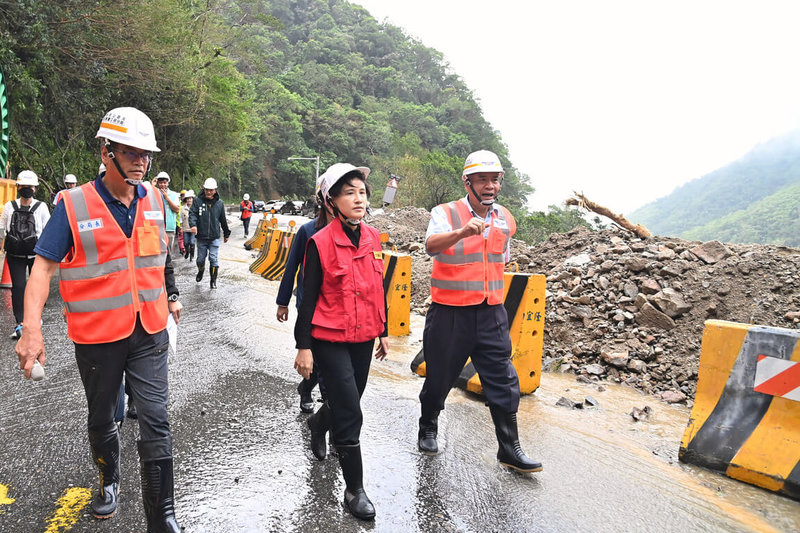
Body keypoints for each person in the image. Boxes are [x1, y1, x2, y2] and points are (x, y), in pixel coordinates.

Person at [15, 107, 183, 531]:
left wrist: (173, 300)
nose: (141, 162)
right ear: (106, 152)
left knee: (156, 418)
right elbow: (42, 268)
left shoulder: (157, 200)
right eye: (131, 153)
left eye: (147, 155)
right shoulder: (72, 205)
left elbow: (158, 259)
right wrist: (31, 329)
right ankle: (109, 478)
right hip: (98, 337)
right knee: (102, 417)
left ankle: (163, 518)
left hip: (149, 331)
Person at [417, 149, 542, 473]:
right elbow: (431, 245)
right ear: (467, 181)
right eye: (482, 179)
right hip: (450, 313)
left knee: (503, 378)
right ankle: (428, 424)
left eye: (494, 180)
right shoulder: (446, 212)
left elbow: (501, 258)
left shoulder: (505, 218)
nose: (489, 186)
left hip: (491, 312)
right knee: (440, 377)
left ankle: (509, 447)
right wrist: (462, 232)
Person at [294, 163, 388, 521]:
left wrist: (382, 330)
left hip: (363, 336)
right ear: (331, 201)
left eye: (362, 192)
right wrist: (303, 346)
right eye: (349, 192)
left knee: (349, 399)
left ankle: (319, 423)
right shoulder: (319, 243)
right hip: (328, 338)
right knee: (351, 410)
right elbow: (309, 296)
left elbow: (377, 288)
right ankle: (355, 489)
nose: (359, 198)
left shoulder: (374, 238)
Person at [276, 176, 333, 417]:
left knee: (333, 358)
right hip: (310, 305)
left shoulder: (355, 232)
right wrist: (283, 302)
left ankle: (328, 400)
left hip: (337, 307)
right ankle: (307, 388)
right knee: (317, 355)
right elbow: (292, 267)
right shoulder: (308, 230)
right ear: (324, 200)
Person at [1, 170, 51, 339]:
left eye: (28, 186)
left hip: (15, 253)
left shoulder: (9, 206)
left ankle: (23, 322)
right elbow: (47, 230)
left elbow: (3, 229)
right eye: (25, 186)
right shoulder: (41, 207)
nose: (27, 189)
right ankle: (26, 321)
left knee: (21, 288)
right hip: (34, 253)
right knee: (27, 288)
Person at [188, 178, 229, 289]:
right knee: (201, 259)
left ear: (215, 190)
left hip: (214, 236)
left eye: (211, 190)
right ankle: (201, 271)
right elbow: (192, 214)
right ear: (204, 189)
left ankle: (213, 281)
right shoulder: (197, 201)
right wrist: (193, 225)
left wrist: (226, 233)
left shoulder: (219, 203)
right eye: (207, 190)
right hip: (201, 236)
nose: (209, 192)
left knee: (213, 258)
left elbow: (223, 219)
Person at [153, 172, 180, 252]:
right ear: (157, 183)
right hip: (157, 227)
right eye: (160, 182)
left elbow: (177, 209)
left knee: (168, 252)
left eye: (165, 183)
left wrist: (167, 198)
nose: (162, 185)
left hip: (169, 228)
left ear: (168, 183)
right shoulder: (154, 193)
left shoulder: (174, 194)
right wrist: (152, 186)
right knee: (157, 251)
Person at [180, 190, 195, 261]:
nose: (189, 200)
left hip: (193, 229)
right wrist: (181, 226)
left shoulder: (195, 208)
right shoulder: (183, 208)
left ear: (192, 199)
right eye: (188, 198)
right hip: (185, 229)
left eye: (190, 198)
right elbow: (180, 218)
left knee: (192, 242)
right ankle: (187, 252)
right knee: (186, 243)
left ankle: (192, 255)